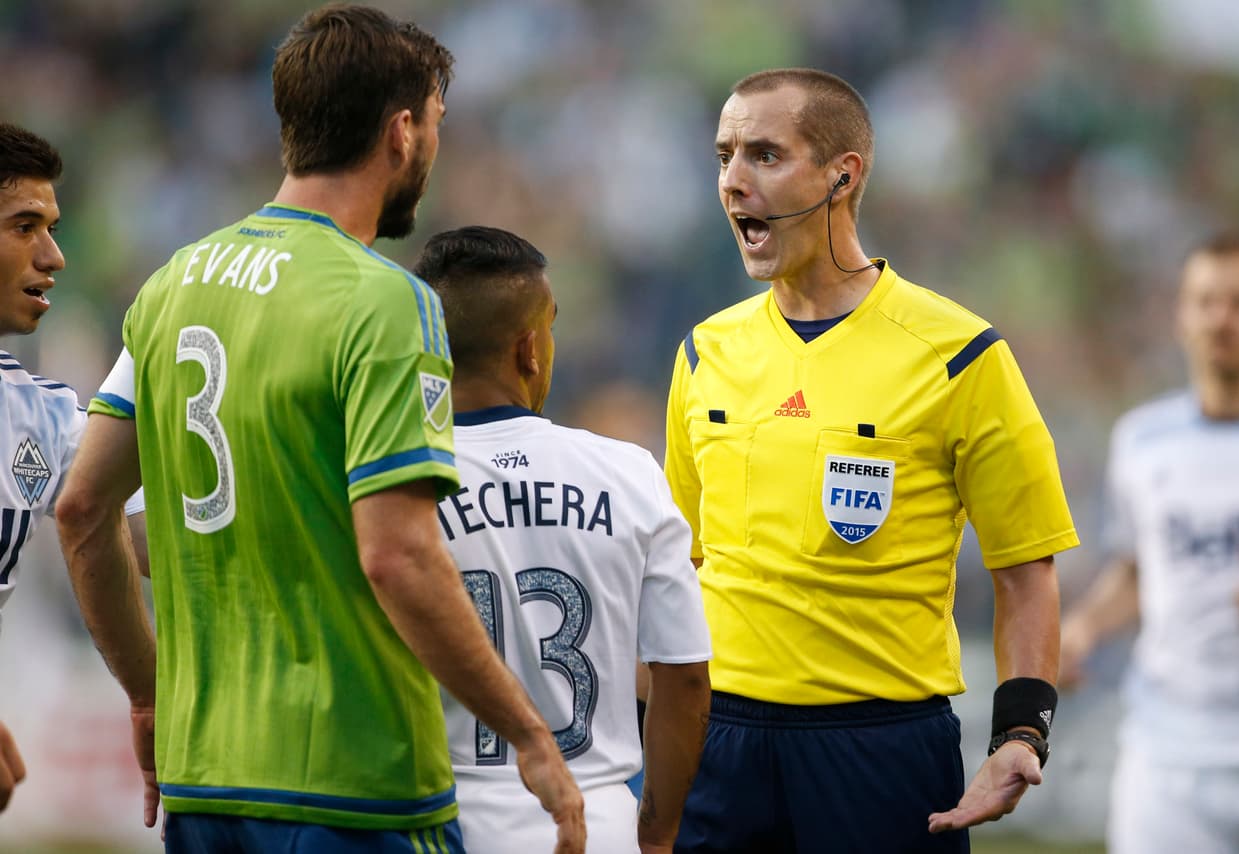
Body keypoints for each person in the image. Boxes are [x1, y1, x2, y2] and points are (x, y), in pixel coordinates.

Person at [53, 7, 584, 853]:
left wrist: (150, 695)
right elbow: (397, 553)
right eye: (436, 124)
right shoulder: (385, 300)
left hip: (204, 791)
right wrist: (528, 733)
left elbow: (82, 510)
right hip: (353, 789)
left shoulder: (170, 285)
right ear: (401, 132)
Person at [663, 67, 1079, 853]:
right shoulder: (704, 353)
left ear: (841, 176)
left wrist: (1022, 732)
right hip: (719, 742)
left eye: (763, 155)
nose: (732, 182)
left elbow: (1025, 568)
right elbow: (680, 563)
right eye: (724, 157)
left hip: (879, 746)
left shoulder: (961, 354)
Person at [413, 226, 712, 854]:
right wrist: (656, 834)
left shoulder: (386, 486)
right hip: (594, 822)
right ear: (529, 349)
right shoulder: (629, 473)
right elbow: (683, 681)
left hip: (437, 824)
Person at [1059, 234, 1239, 854]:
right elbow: (1137, 571)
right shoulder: (1143, 439)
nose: (1221, 319)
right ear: (1181, 315)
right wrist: (1082, 628)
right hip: (1169, 751)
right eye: (1205, 301)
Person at [0, 122, 146, 815]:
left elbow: (140, 532)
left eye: (51, 227)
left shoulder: (37, 412)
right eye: (25, 226)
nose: (54, 256)